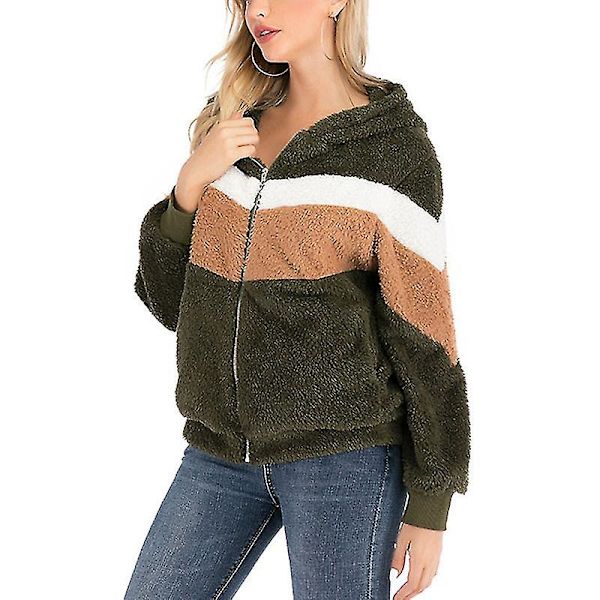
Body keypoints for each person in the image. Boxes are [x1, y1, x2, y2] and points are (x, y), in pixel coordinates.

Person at [127, 1, 471, 598]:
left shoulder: (390, 150)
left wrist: (432, 501)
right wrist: (189, 186)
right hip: (220, 453)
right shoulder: (231, 126)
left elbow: (425, 334)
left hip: (345, 458)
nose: (258, 11)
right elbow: (169, 304)